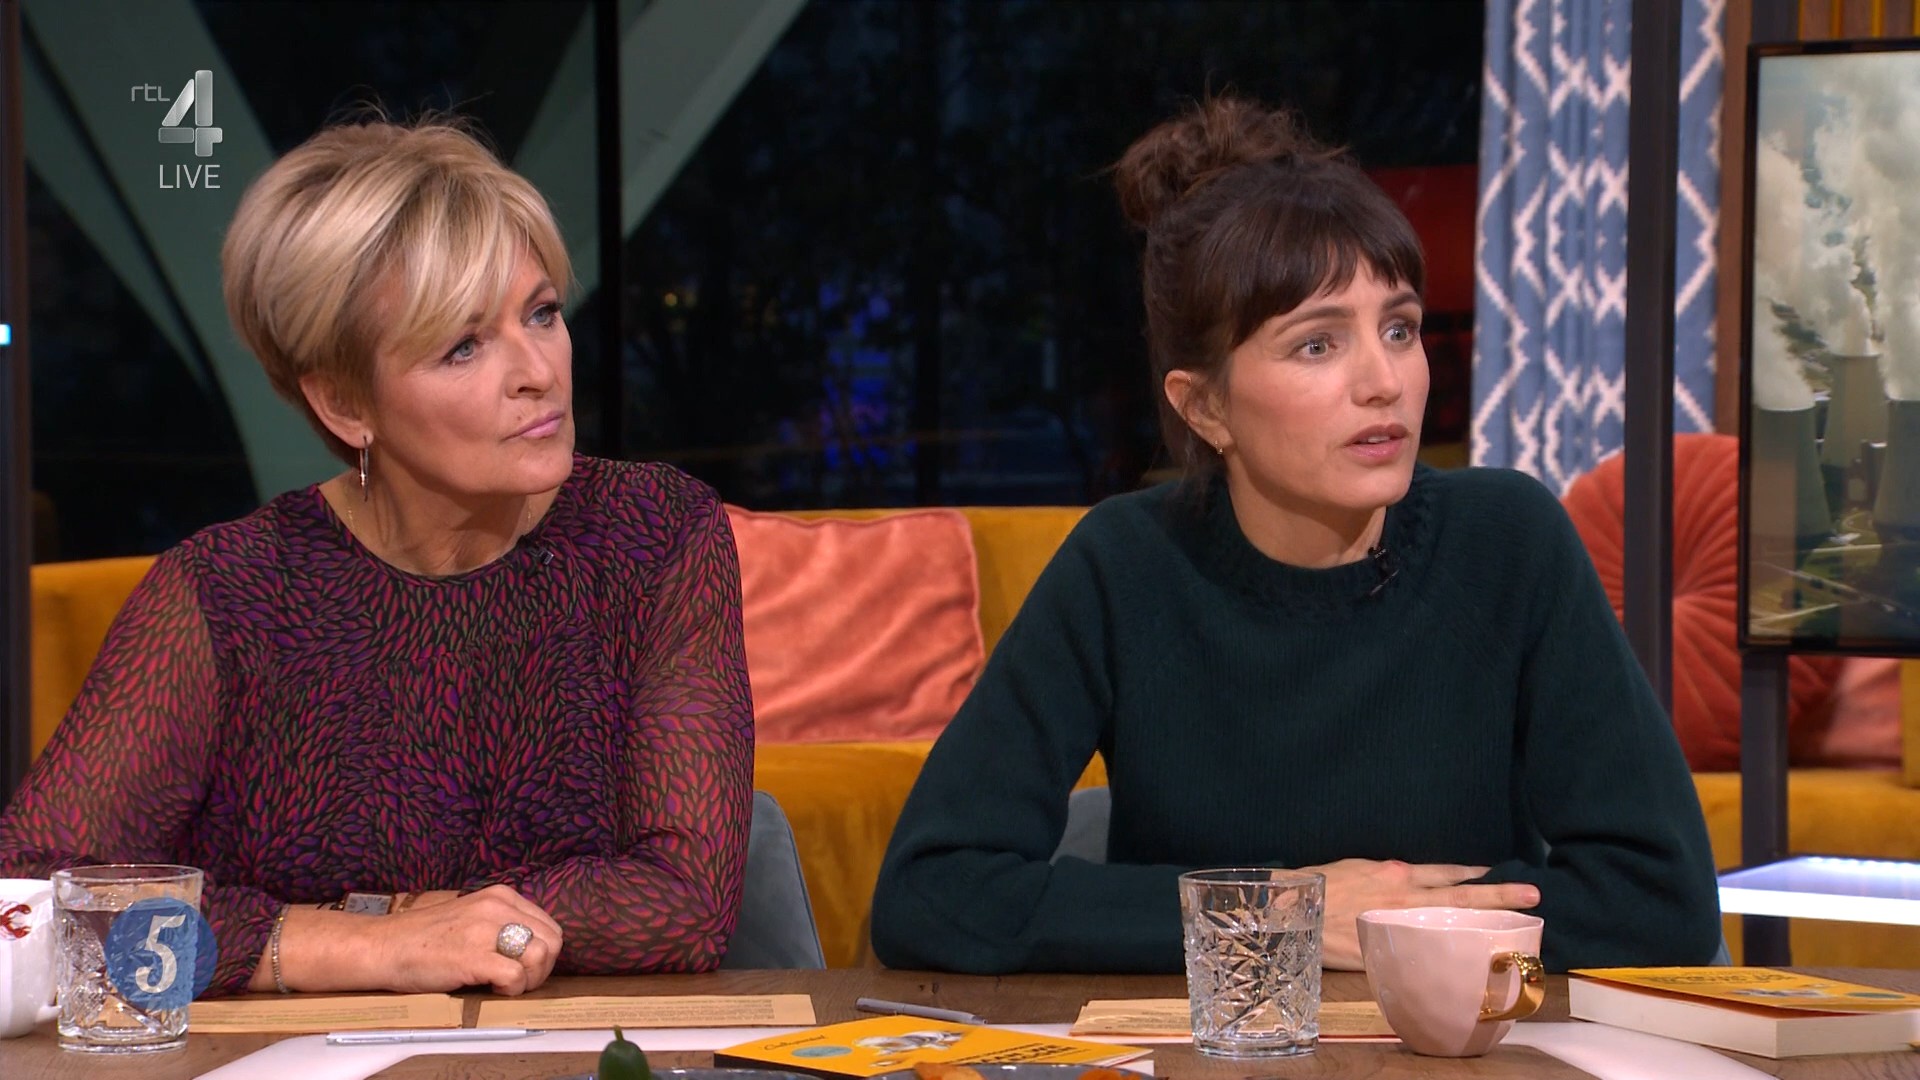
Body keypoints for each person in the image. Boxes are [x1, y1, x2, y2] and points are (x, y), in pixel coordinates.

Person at [869, 96, 1721, 974]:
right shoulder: (1124, 565)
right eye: (1318, 345)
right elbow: (930, 893)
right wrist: (1278, 913)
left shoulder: (1510, 542)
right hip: (1212, 1043)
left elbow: (1662, 903)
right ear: (1205, 407)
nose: (1384, 381)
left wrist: (1406, 927)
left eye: (1399, 329)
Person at [0, 118, 755, 996]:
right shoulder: (227, 593)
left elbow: (684, 902)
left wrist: (429, 923)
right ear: (345, 403)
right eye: (463, 345)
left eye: (541, 313)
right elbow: (31, 903)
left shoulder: (655, 534)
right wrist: (366, 945)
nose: (538, 371)